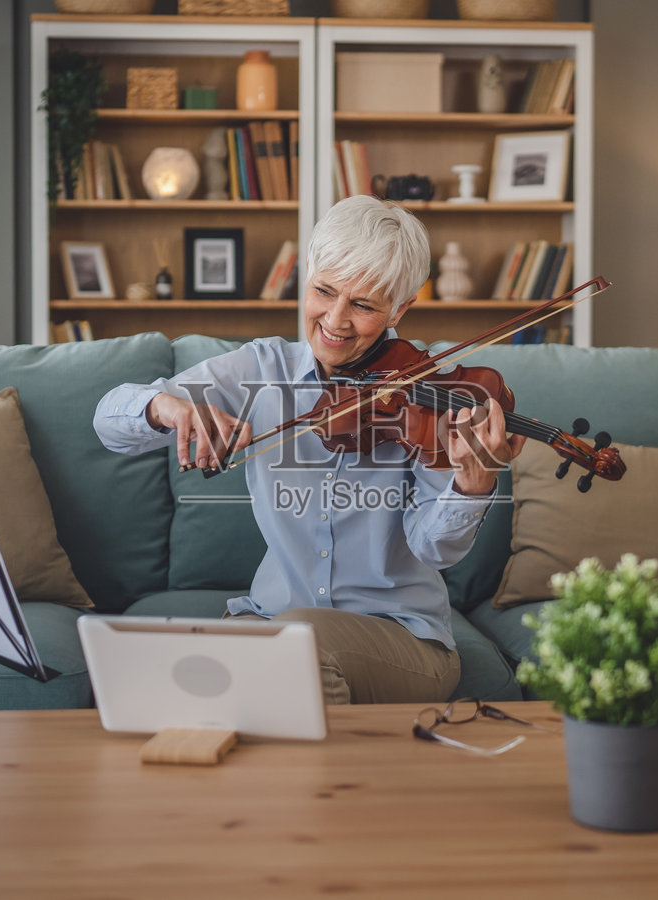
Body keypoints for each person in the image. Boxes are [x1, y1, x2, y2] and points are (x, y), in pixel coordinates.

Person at [93, 196, 525, 704]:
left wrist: (471, 489)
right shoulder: (261, 369)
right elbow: (109, 422)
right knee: (187, 678)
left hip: (402, 639)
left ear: (400, 309)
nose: (336, 320)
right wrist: (164, 408)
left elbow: (434, 549)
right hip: (270, 619)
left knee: (295, 646)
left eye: (363, 305)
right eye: (324, 291)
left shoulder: (428, 394)